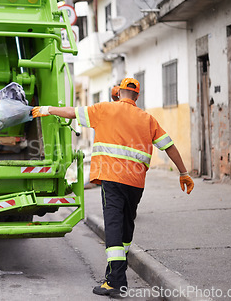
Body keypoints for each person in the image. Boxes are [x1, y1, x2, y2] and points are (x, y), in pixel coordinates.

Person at [32, 78, 194, 297]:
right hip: (136, 183)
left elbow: (72, 112)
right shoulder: (148, 119)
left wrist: (47, 109)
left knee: (114, 227)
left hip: (112, 178)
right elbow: (169, 146)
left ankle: (116, 282)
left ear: (118, 93)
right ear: (137, 96)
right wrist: (183, 173)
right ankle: (114, 275)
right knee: (126, 227)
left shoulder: (105, 109)